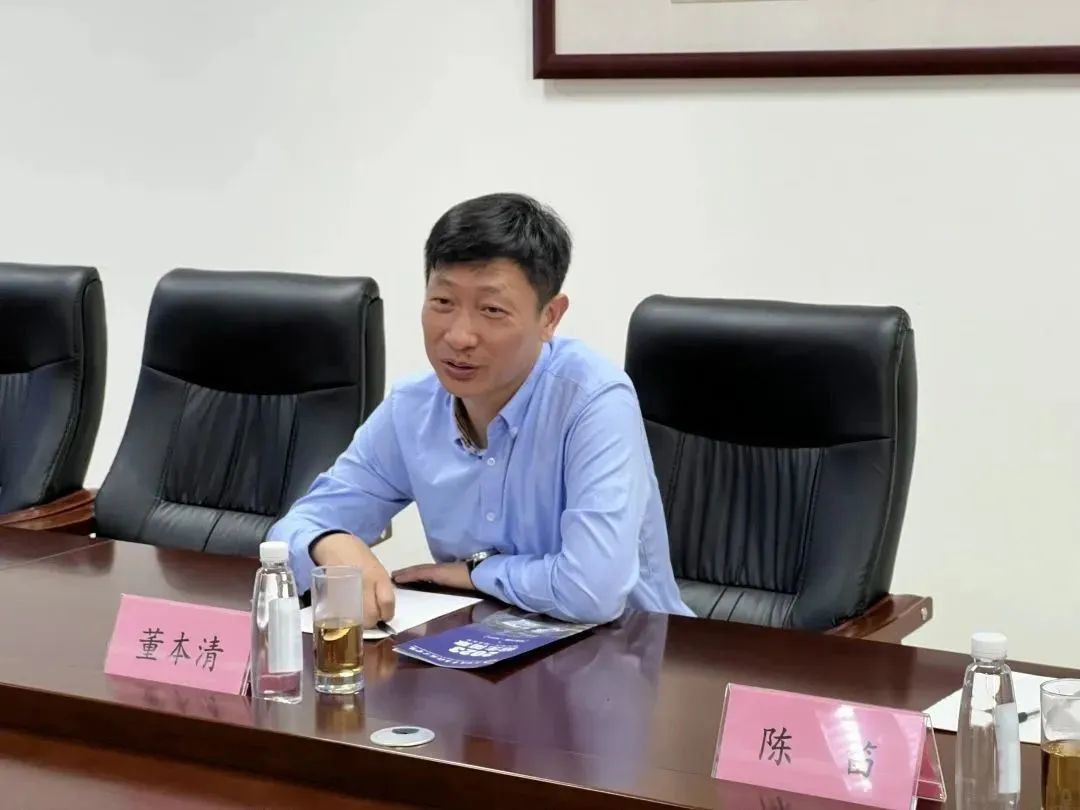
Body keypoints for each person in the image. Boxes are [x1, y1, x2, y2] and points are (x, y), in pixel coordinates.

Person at [268, 192, 692, 627]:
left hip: (632, 648)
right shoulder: (413, 407)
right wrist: (328, 541)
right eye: (443, 302)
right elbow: (292, 530)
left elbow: (591, 591)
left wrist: (475, 573)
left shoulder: (593, 401)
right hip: (481, 645)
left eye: (491, 310)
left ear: (550, 317)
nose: (459, 336)